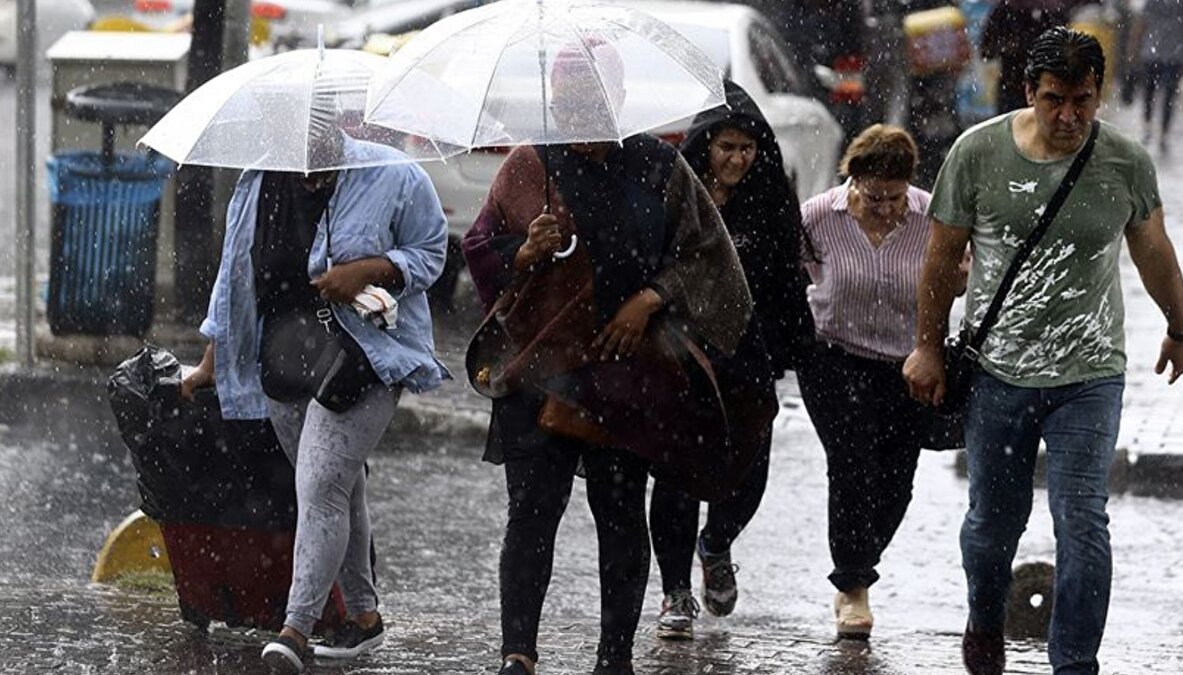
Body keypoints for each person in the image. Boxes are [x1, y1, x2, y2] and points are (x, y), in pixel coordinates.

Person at [902, 27, 1183, 675]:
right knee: (991, 527)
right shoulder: (977, 154)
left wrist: (1182, 327)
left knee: (1083, 521)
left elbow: (1153, 247)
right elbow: (941, 259)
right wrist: (926, 347)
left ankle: (1075, 664)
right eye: (1054, 99)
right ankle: (985, 618)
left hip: (1090, 375)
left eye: (1082, 100)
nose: (1068, 116)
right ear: (1029, 91)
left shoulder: (1123, 161)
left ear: (1099, 94)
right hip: (998, 375)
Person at [462, 42, 756, 675]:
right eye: (570, 101)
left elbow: (709, 257)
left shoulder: (658, 165)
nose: (582, 114)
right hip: (539, 371)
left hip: (628, 376)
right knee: (532, 514)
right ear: (554, 100)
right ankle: (518, 653)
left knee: (620, 515)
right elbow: (481, 248)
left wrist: (649, 300)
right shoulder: (527, 167)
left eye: (594, 100)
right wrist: (525, 252)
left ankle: (614, 658)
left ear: (618, 98)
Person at [181, 133, 450, 674]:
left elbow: (432, 253)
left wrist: (374, 268)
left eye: (318, 138)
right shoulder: (257, 183)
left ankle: (295, 630)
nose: (308, 159)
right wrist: (213, 359)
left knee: (321, 485)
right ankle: (364, 619)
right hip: (284, 363)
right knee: (340, 488)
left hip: (367, 357)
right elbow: (235, 278)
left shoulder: (393, 174)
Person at [648, 81, 812, 640]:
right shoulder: (676, 197)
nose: (738, 159)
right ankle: (675, 592)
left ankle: (716, 544)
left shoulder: (769, 201)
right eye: (726, 147)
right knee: (675, 479)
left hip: (748, 360)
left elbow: (787, 282)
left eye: (747, 148)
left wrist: (791, 349)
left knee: (748, 474)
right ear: (705, 147)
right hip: (680, 359)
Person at [795, 124, 941, 641]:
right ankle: (854, 587)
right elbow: (794, 275)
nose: (884, 208)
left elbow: (957, 273)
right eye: (872, 197)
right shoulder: (818, 216)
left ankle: (858, 560)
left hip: (907, 363)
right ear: (852, 180)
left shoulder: (932, 217)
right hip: (834, 359)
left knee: (896, 480)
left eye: (894, 197)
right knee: (851, 463)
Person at [1135, 0, 1183, 152]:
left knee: (1152, 91)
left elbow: (1142, 23)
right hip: (1172, 53)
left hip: (1155, 52)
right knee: (1167, 94)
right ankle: (1161, 130)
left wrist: (1135, 47)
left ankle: (1151, 126)